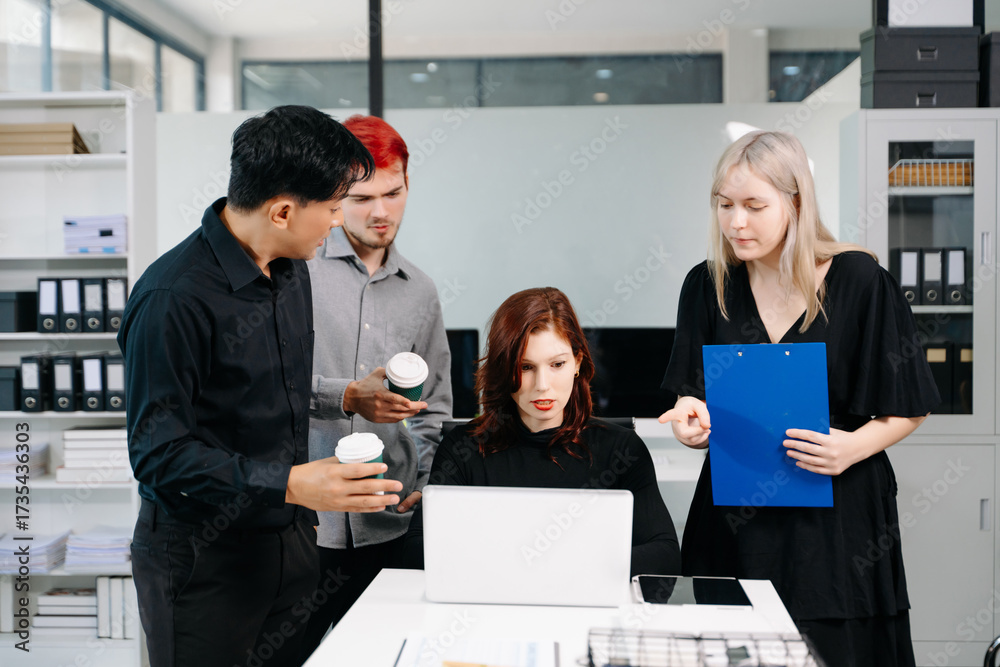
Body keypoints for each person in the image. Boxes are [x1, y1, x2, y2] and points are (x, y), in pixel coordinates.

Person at [118, 105, 404, 667]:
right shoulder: (172, 299)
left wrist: (346, 396)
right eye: (331, 207)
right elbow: (158, 455)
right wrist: (292, 483)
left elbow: (263, 390)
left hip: (291, 548)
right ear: (280, 211)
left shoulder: (290, 267)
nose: (338, 222)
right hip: (203, 564)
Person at [658, 130, 939, 666]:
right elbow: (692, 404)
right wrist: (689, 429)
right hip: (736, 523)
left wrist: (852, 448)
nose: (735, 222)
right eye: (725, 205)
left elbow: (907, 405)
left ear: (795, 202)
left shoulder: (860, 281)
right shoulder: (707, 284)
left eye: (753, 206)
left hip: (836, 529)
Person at [300, 115, 452, 656]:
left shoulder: (422, 292)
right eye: (362, 198)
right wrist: (344, 393)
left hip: (389, 521)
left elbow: (434, 408)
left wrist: (427, 481)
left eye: (394, 192)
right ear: (335, 197)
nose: (382, 211)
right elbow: (265, 387)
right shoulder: (296, 272)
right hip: (303, 525)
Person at [403, 287, 681, 577]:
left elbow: (665, 555)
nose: (542, 385)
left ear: (578, 363)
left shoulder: (623, 450)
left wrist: (556, 566)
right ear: (504, 369)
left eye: (557, 364)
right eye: (525, 367)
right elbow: (415, 551)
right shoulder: (463, 448)